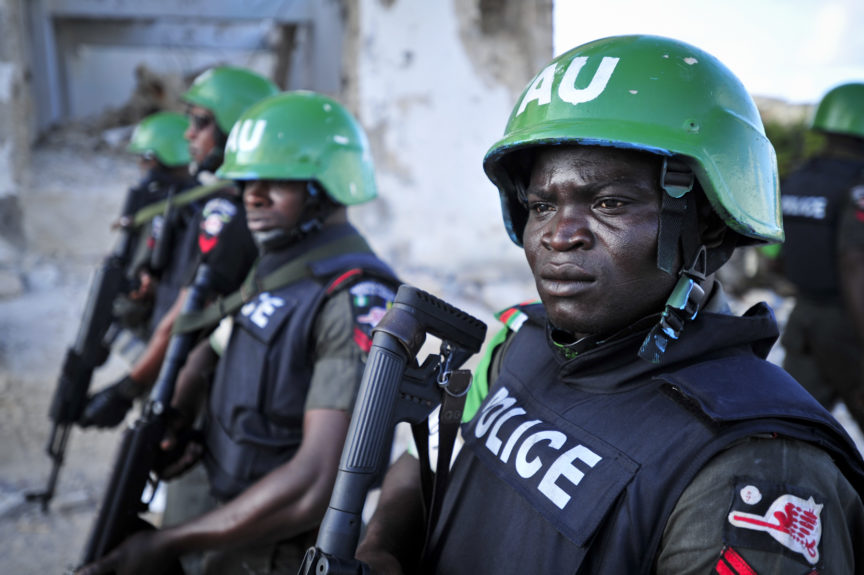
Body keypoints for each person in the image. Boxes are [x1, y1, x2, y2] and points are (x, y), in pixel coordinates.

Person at [354, 35, 864, 574]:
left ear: (708, 221)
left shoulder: (759, 462)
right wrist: (379, 549)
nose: (559, 235)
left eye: (609, 203)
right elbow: (428, 452)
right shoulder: (520, 340)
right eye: (541, 205)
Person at [76, 90, 401, 575]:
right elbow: (221, 340)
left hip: (275, 552)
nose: (253, 194)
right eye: (249, 178)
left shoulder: (354, 298)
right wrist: (179, 418)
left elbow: (315, 484)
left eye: (279, 180)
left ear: (327, 185)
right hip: (228, 516)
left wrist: (170, 543)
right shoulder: (280, 262)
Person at [79, 66, 277, 428]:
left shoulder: (230, 212)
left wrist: (130, 386)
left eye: (201, 122)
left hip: (198, 391)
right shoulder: (213, 202)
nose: (189, 133)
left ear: (234, 131)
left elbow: (186, 314)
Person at [778, 82, 864, 433]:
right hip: (849, 323)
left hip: (804, 321)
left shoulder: (797, 178)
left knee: (791, 426)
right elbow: (854, 262)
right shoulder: (857, 183)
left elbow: (772, 251)